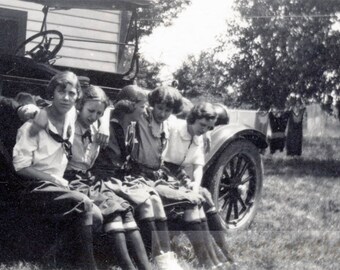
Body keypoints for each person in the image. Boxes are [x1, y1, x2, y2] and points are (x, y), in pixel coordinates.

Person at [121, 85, 224, 269]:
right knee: (191, 199)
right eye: (159, 108)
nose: (162, 113)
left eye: (167, 110)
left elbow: (190, 111)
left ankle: (212, 259)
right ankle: (201, 261)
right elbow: (115, 109)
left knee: (198, 197)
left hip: (158, 175)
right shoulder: (144, 116)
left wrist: (207, 131)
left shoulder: (169, 122)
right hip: (138, 175)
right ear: (152, 105)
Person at [12, 71, 97, 270]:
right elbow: (21, 166)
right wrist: (52, 179)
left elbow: (107, 106)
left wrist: (105, 126)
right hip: (33, 185)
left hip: (57, 184)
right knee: (83, 204)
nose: (66, 98)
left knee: (98, 216)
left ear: (78, 97)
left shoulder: (71, 114)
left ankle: (52, 255)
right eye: (61, 92)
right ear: (52, 93)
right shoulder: (34, 125)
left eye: (72, 93)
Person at [92, 85, 183, 270]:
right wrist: (103, 122)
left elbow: (174, 116)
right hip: (105, 179)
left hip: (123, 177)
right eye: (142, 106)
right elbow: (110, 107)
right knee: (147, 202)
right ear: (130, 106)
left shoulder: (132, 125)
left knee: (155, 200)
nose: (146, 110)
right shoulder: (109, 126)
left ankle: (165, 257)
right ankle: (154, 257)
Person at [63, 85, 151, 270]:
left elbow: (113, 108)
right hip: (70, 178)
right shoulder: (70, 121)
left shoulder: (97, 125)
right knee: (113, 210)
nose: (94, 116)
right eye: (90, 111)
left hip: (88, 178)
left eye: (98, 113)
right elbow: (65, 107)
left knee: (124, 209)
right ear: (79, 106)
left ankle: (145, 268)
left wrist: (103, 120)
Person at [163, 102, 235, 266]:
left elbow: (198, 166)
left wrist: (195, 184)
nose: (204, 130)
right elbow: (173, 102)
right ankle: (210, 259)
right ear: (191, 118)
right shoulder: (174, 126)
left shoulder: (199, 137)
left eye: (209, 127)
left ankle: (222, 253)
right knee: (196, 199)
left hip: (177, 174)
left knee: (203, 195)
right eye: (202, 124)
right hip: (162, 172)